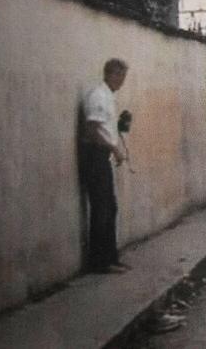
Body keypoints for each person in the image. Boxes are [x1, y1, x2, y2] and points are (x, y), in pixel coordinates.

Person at [80, 58, 130, 273]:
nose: (122, 81)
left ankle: (110, 258)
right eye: (121, 76)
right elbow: (92, 130)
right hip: (95, 156)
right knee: (102, 209)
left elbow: (104, 126)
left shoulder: (108, 96)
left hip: (103, 156)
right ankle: (99, 262)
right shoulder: (98, 95)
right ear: (112, 74)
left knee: (109, 208)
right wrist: (113, 148)